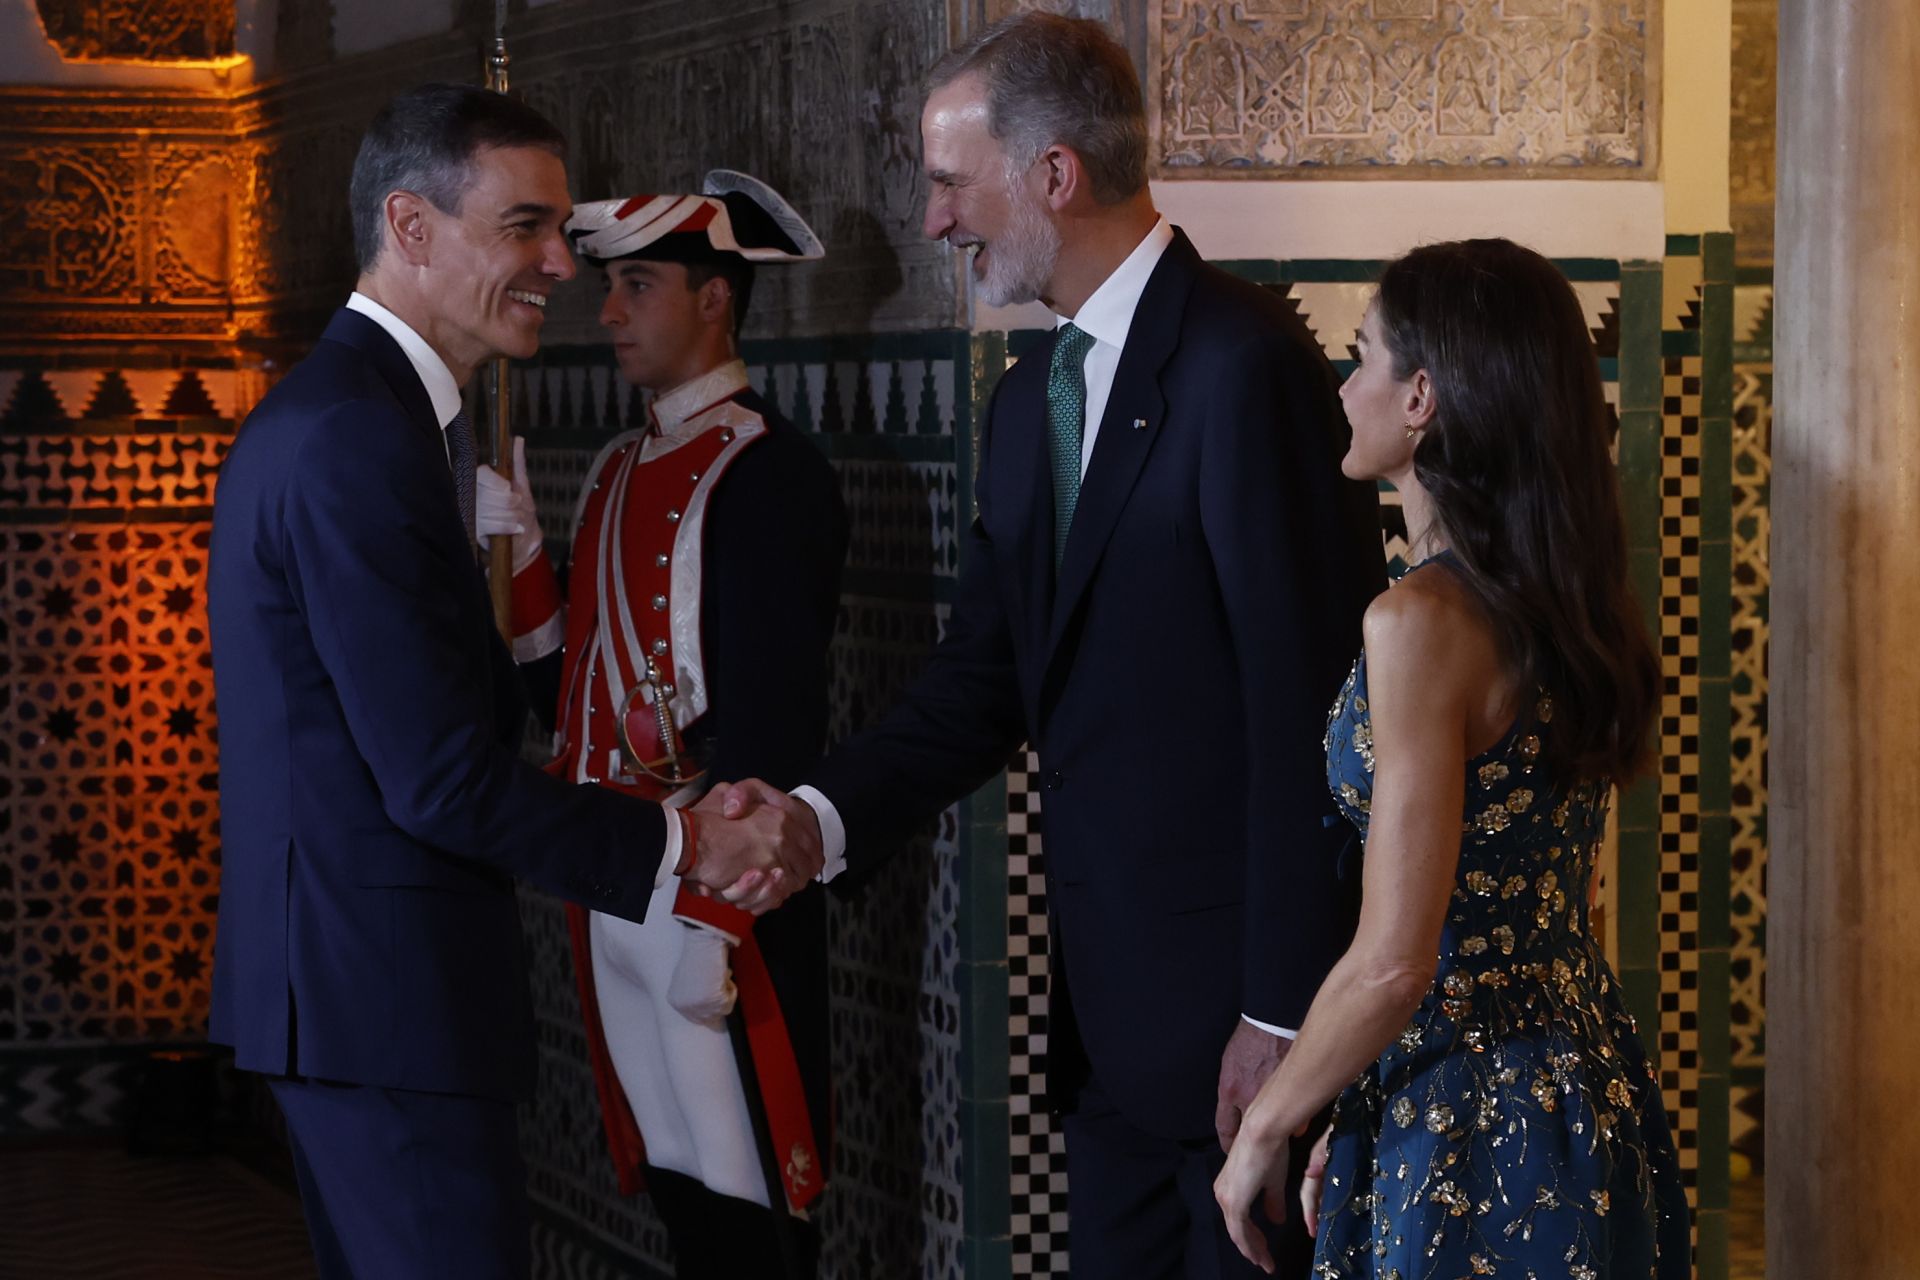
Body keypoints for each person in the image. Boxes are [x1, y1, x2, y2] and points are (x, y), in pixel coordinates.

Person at [721, 13, 1385, 1275]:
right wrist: (817, 815)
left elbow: (1320, 712)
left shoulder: (1248, 366)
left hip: (1251, 1046)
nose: (934, 221)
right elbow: (984, 678)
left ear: (1053, 175)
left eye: (948, 181)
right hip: (1106, 1039)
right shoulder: (1028, 402)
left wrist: (1283, 1008)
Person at [205, 85, 817, 1280]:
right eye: (524, 228)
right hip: (384, 997)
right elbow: (437, 779)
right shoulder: (356, 438)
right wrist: (684, 843)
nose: (559, 263)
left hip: (358, 994)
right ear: (411, 224)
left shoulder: (364, 417)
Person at [1212, 238, 1690, 1278]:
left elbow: (1394, 958)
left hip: (1474, 1117)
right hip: (1582, 1082)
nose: (1346, 385)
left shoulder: (1419, 621)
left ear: (1422, 395)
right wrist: (1360, 1093)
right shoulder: (1564, 594)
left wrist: (1268, 1126)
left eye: (1366, 356)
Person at [478, 171, 847, 1278]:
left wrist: (718, 921)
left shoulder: (770, 473)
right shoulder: (616, 466)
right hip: (617, 874)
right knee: (681, 1197)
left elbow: (776, 725)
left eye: (639, 285)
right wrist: (528, 561)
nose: (611, 313)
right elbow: (569, 703)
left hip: (712, 893)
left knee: (750, 1209)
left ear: (714, 300)